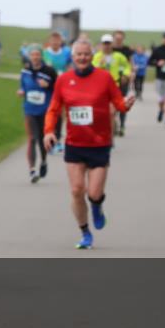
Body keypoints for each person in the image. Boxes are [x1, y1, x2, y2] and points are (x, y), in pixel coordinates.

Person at [44, 39, 134, 250]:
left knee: (93, 193)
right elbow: (54, 108)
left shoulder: (104, 78)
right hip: (75, 144)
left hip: (99, 144)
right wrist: (48, 131)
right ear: (73, 57)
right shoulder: (64, 80)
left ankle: (97, 205)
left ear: (92, 56)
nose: (82, 58)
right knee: (77, 190)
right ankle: (85, 232)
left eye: (86, 54)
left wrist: (126, 105)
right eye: (79, 54)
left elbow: (118, 103)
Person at [17, 46, 57, 183]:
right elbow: (23, 86)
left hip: (45, 111)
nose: (35, 57)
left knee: (42, 139)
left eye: (37, 54)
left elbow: (58, 89)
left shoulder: (49, 71)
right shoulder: (25, 71)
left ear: (41, 56)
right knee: (32, 138)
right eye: (32, 54)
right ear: (29, 56)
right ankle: (32, 170)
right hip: (29, 109)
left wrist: (48, 86)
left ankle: (44, 161)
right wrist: (21, 91)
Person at [92, 34, 133, 137]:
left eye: (109, 43)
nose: (107, 45)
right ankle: (109, 128)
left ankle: (115, 130)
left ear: (112, 44)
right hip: (100, 87)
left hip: (115, 85)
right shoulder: (97, 56)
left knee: (115, 109)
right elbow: (92, 69)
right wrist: (100, 64)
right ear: (102, 44)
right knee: (104, 111)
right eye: (105, 43)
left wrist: (125, 75)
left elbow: (127, 66)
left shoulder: (118, 56)